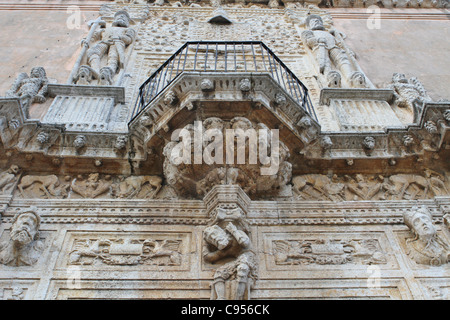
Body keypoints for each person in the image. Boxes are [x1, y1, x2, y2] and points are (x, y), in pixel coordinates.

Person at [83, 10, 136, 85]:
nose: (121, 18)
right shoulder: (105, 29)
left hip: (116, 43)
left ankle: (109, 72)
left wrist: (119, 37)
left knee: (113, 57)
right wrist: (86, 40)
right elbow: (94, 36)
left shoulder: (128, 29)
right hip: (104, 42)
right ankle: (95, 70)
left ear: (127, 21)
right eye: (119, 17)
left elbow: (129, 39)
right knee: (93, 53)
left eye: (124, 18)